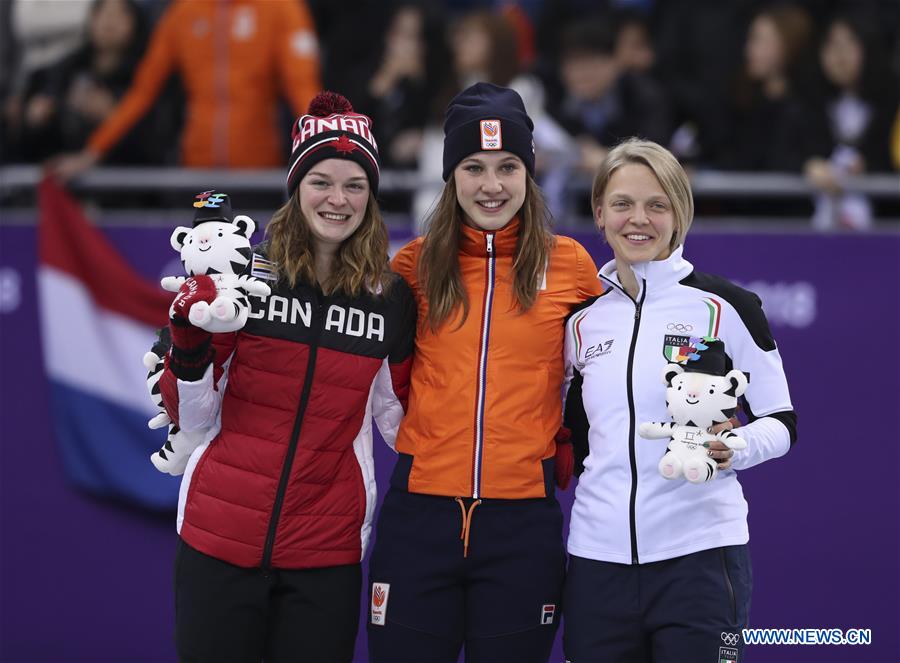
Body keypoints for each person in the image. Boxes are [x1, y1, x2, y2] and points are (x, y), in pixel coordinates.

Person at [156, 92, 415, 662]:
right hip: (217, 538)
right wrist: (188, 341)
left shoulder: (390, 299)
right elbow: (187, 412)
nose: (337, 199)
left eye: (355, 185)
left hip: (325, 551)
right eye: (321, 180)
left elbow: (402, 423)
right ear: (296, 188)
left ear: (371, 199)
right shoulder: (240, 276)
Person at [367, 82, 602, 663]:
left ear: (529, 171)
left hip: (522, 524)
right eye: (473, 167)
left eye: (507, 166)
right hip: (420, 517)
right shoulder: (414, 265)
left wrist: (567, 444)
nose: (491, 185)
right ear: (451, 175)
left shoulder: (570, 265)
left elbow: (604, 373)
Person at [562, 138, 798, 662]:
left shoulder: (726, 305)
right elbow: (572, 434)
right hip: (596, 563)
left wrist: (733, 447)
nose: (637, 219)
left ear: (679, 214)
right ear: (599, 213)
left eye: (657, 204)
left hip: (701, 560)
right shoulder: (581, 322)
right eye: (622, 203)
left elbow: (781, 421)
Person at [50, 0, 321, 178]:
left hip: (257, 173)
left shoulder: (280, 8)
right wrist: (94, 150)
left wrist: (328, 145)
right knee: (198, 261)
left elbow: (302, 88)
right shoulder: (184, 12)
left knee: (252, 262)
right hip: (195, 172)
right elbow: (143, 91)